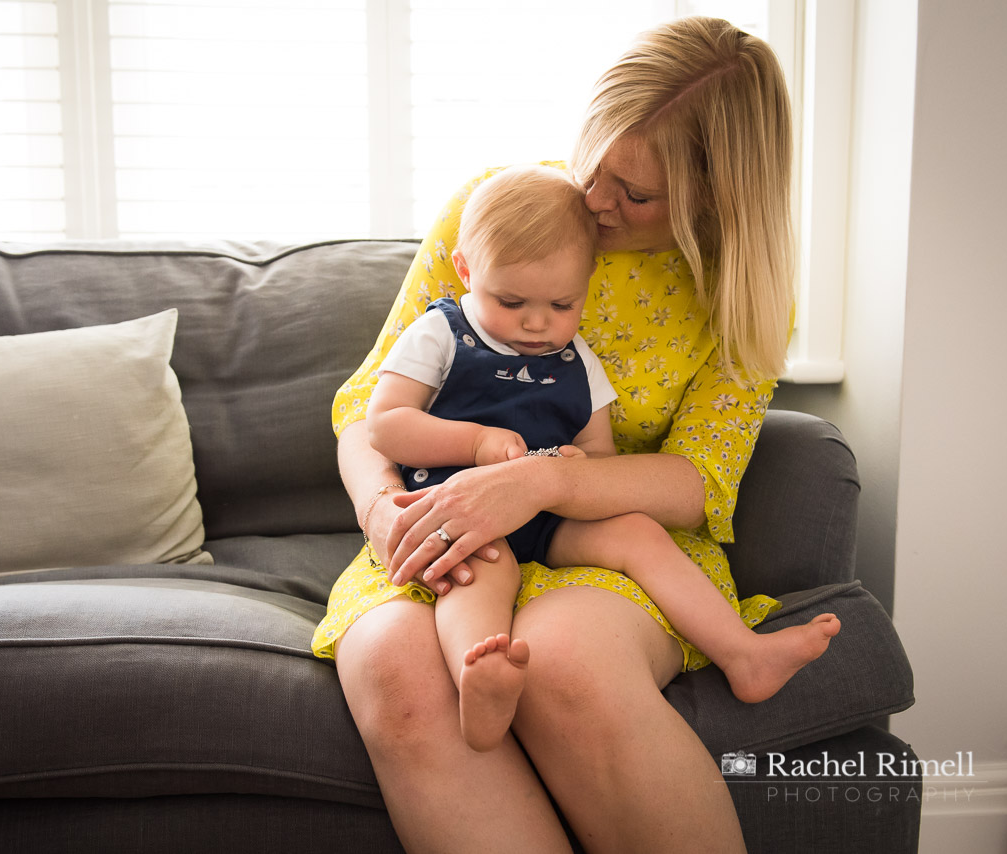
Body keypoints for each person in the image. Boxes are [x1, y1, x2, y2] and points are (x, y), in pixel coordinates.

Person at [312, 16, 806, 853]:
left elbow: (697, 480)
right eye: (598, 165)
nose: (597, 201)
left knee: (565, 662)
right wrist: (381, 511)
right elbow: (368, 415)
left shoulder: (737, 292)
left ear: (716, 199)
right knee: (397, 667)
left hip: (604, 538)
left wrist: (541, 481)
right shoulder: (498, 213)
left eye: (637, 194)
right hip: (445, 512)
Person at [365, 164, 840, 755]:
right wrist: (476, 445)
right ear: (466, 271)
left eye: (561, 304)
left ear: (588, 285)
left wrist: (571, 467)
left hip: (552, 513)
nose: (538, 324)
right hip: (458, 512)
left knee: (637, 533)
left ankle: (743, 653)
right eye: (511, 301)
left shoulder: (575, 356)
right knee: (477, 572)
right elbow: (384, 424)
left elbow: (600, 454)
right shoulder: (442, 332)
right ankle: (479, 676)